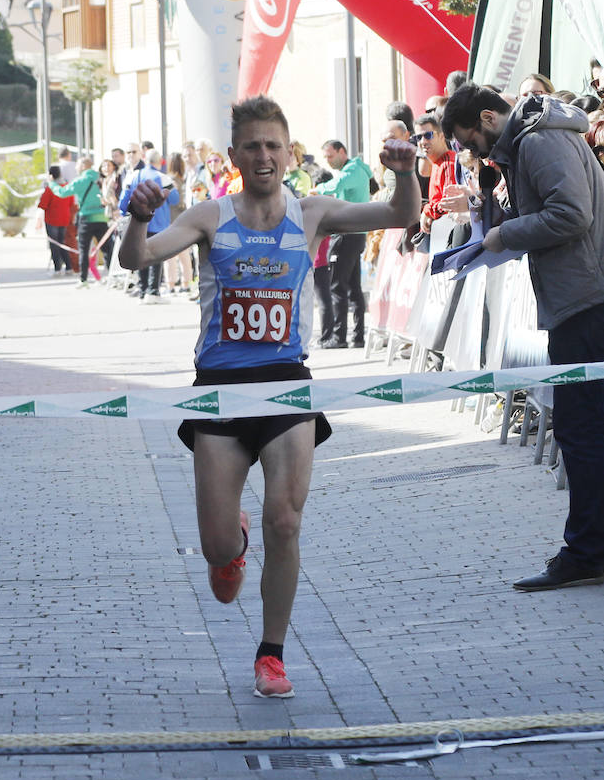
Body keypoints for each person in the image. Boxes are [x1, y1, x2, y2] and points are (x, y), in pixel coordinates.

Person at [119, 95, 419, 697]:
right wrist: (138, 217)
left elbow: (398, 214)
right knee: (217, 543)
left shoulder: (311, 212)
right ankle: (231, 549)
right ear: (234, 155)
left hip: (285, 382)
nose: (263, 156)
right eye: (251, 146)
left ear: (289, 153)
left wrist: (407, 170)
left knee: (286, 520)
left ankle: (271, 654)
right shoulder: (209, 216)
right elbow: (139, 257)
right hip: (220, 394)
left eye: (273, 146)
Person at [442, 82, 604, 592]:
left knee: (579, 429)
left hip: (586, 300)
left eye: (471, 140)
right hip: (579, 297)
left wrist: (504, 235)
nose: (473, 152)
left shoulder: (538, 140)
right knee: (582, 428)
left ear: (489, 117)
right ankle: (589, 547)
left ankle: (587, 551)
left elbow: (572, 215)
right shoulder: (531, 141)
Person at [314, 139, 373, 349]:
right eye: (325, 157)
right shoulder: (353, 170)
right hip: (353, 233)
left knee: (337, 286)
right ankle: (357, 337)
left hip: (347, 234)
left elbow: (337, 185)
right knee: (353, 287)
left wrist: (317, 190)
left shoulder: (353, 170)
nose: (328, 161)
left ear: (342, 152)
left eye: (330, 156)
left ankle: (339, 337)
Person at [119, 148, 180, 303]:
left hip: (137, 224)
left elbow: (122, 203)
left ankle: (142, 289)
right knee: (155, 258)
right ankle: (152, 291)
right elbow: (175, 199)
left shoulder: (133, 176)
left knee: (140, 256)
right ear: (159, 161)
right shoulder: (163, 178)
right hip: (159, 224)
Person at [57, 157, 106, 288]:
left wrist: (52, 184)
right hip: (102, 217)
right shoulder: (100, 179)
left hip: (86, 218)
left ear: (84, 166)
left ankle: (83, 279)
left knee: (84, 249)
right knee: (107, 248)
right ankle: (112, 275)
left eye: (77, 165)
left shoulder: (80, 180)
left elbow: (62, 192)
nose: (76, 168)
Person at [413, 112, 456, 234]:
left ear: (441, 136)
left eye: (428, 135)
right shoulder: (438, 163)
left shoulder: (448, 163)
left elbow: (450, 203)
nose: (423, 141)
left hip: (448, 233)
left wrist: (427, 210)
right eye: (418, 137)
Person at [163, 151, 195, 296]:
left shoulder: (169, 180)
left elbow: (173, 202)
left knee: (170, 256)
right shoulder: (185, 178)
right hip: (184, 221)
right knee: (184, 255)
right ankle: (186, 283)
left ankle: (171, 284)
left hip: (171, 221)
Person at [36, 165, 73, 275]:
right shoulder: (66, 186)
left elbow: (42, 204)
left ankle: (57, 268)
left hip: (52, 220)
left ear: (50, 175)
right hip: (65, 218)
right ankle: (68, 267)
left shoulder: (50, 188)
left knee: (54, 244)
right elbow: (71, 203)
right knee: (62, 243)